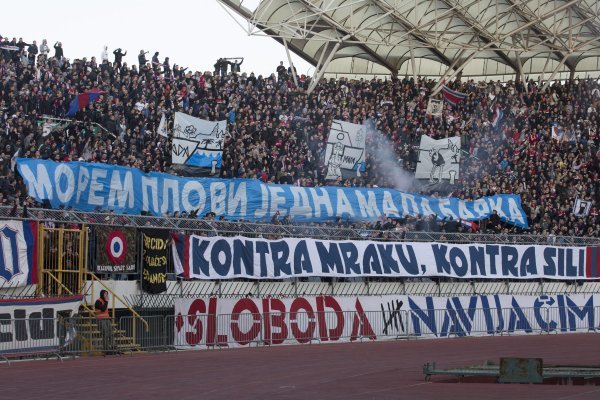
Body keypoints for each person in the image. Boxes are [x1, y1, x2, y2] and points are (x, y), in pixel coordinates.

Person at [94, 290, 114, 354]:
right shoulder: (98, 301)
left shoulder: (105, 301)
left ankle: (113, 347)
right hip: (101, 320)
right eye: (105, 294)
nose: (106, 295)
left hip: (107, 319)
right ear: (102, 294)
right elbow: (103, 309)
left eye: (107, 294)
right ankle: (106, 349)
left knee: (111, 333)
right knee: (105, 334)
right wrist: (106, 301)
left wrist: (106, 301)